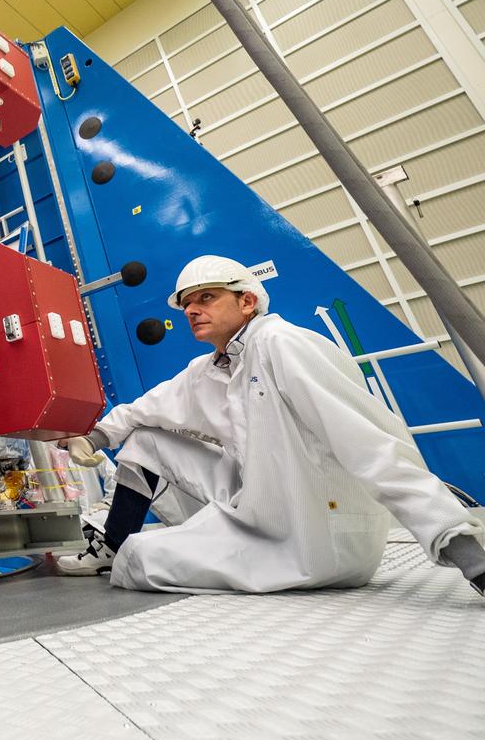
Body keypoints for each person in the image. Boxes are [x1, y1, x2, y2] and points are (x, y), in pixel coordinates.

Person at [55, 255, 485, 595]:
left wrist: (464, 550)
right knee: (145, 442)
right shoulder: (209, 370)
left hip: (317, 534)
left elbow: (370, 442)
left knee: (140, 560)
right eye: (187, 302)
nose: (191, 310)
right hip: (262, 500)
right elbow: (141, 410)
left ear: (247, 302)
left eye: (206, 298)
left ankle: (143, 550)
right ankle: (112, 545)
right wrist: (93, 436)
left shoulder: (283, 345)